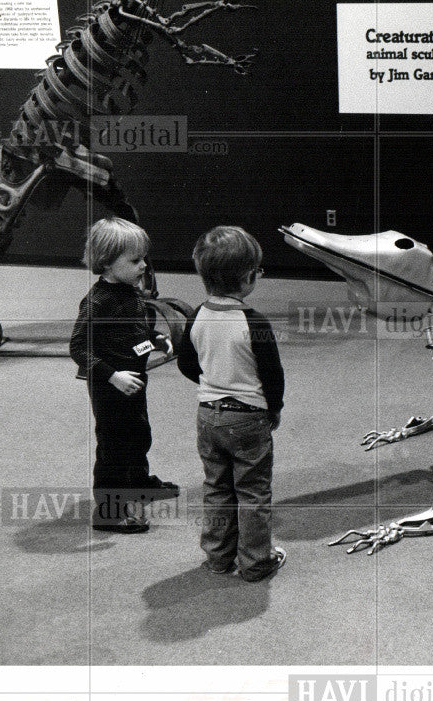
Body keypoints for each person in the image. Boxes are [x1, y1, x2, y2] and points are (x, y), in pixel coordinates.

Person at [178, 226, 287, 582]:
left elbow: (186, 363)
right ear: (246, 279)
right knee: (253, 491)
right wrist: (275, 408)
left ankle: (217, 557)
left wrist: (212, 383)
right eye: (258, 271)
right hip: (248, 418)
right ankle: (255, 563)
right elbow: (272, 374)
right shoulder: (254, 322)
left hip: (208, 416)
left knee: (217, 487)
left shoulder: (196, 315)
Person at [69, 217, 179, 533]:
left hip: (134, 381)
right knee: (113, 448)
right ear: (106, 262)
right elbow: (78, 347)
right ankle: (108, 512)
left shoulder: (130, 292)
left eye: (144, 258)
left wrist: (156, 339)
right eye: (134, 260)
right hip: (110, 387)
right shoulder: (96, 302)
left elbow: (134, 330)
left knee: (138, 435)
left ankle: (138, 484)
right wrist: (112, 376)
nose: (144, 265)